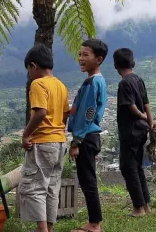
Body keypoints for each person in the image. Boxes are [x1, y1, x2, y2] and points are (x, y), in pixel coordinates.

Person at [19, 44, 70, 232]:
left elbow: (40, 113)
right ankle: (49, 226)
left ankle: (41, 229)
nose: (29, 74)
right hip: (60, 143)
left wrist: (26, 135)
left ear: (33, 66)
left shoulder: (38, 84)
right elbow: (65, 116)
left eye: (28, 70)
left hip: (43, 143)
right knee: (52, 187)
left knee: (35, 187)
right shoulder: (61, 86)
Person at [68, 39, 108, 232]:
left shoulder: (93, 82)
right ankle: (95, 221)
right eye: (80, 54)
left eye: (86, 55)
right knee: (87, 178)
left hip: (86, 137)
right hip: (91, 136)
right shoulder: (97, 81)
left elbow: (88, 113)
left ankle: (94, 224)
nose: (81, 59)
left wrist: (76, 141)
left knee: (87, 180)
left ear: (98, 59)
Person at [113, 48, 153, 217]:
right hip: (142, 130)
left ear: (115, 66)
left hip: (130, 131)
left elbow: (132, 107)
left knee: (128, 167)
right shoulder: (139, 79)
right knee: (137, 167)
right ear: (133, 63)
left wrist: (142, 116)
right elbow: (146, 103)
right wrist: (149, 122)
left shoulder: (124, 83)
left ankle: (138, 208)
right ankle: (146, 205)